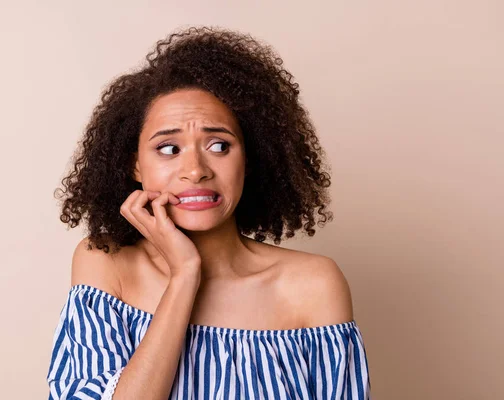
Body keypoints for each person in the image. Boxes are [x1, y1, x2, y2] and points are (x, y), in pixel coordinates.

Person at [46, 25, 372, 399]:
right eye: (169, 149)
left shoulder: (312, 286)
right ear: (135, 166)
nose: (196, 169)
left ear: (248, 160)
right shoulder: (106, 264)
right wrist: (185, 275)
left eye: (219, 145)